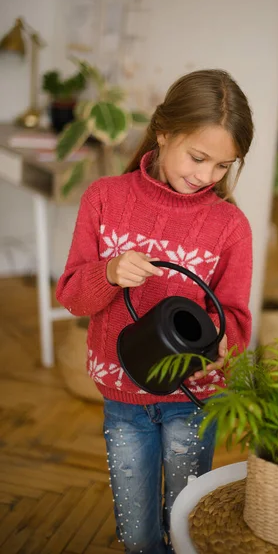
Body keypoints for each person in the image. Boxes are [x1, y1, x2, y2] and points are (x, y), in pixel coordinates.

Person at [56, 69, 254, 554]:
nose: (206, 176)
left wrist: (226, 339)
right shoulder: (105, 198)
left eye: (222, 166)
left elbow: (236, 318)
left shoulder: (230, 226)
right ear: (163, 132)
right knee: (139, 535)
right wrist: (109, 272)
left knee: (186, 522)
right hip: (123, 396)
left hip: (192, 397)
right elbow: (72, 295)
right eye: (198, 157)